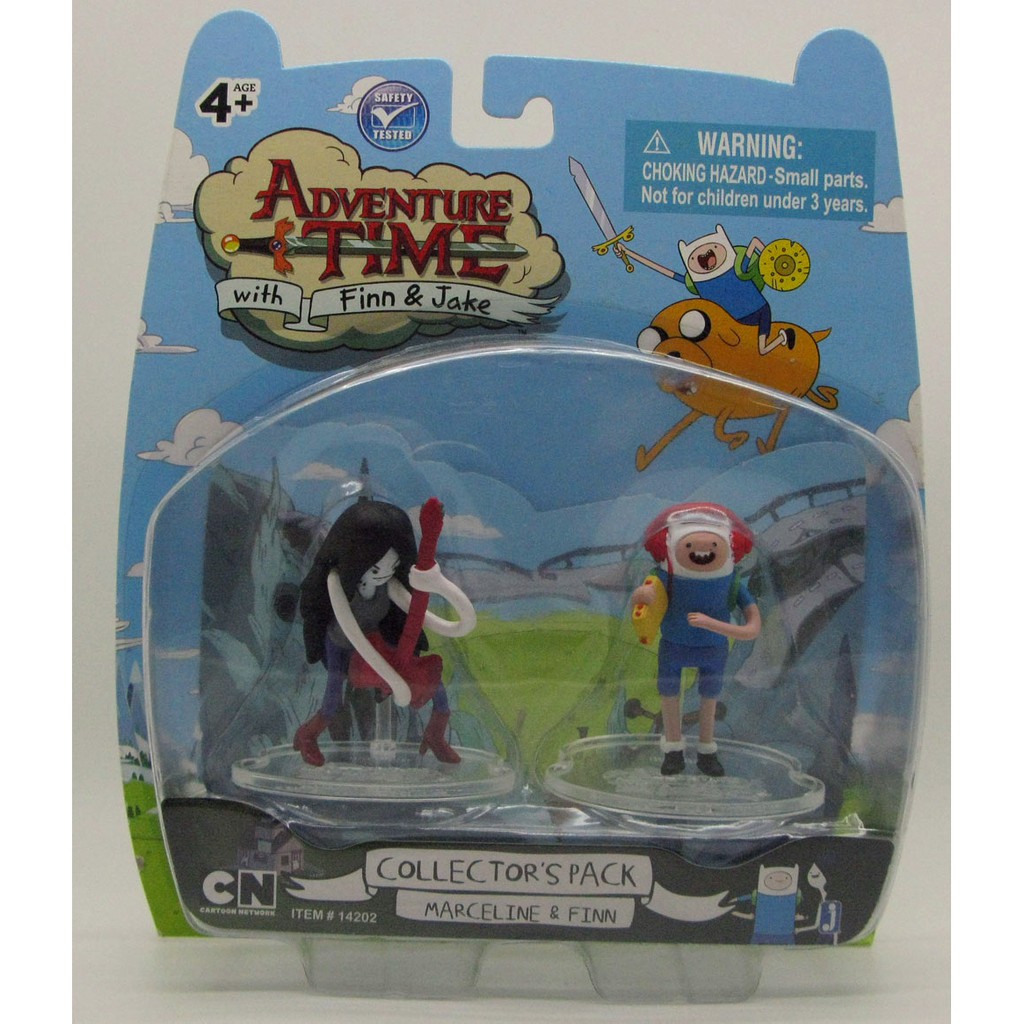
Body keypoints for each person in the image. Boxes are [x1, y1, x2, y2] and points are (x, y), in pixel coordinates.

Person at [294, 498, 475, 766]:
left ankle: (436, 733)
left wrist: (432, 586)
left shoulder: (388, 585)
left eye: (392, 566)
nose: (384, 574)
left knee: (433, 684)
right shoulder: (336, 583)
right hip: (342, 644)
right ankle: (307, 735)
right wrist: (389, 676)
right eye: (377, 568)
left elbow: (419, 613)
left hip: (375, 642)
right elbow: (350, 630)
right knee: (333, 698)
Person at [631, 503, 760, 776]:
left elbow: (752, 629)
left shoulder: (731, 582)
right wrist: (641, 596)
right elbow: (645, 599)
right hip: (673, 645)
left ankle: (706, 749)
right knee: (669, 694)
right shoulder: (664, 576)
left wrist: (710, 623)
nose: (702, 547)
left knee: (709, 697)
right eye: (688, 544)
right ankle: (673, 748)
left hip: (713, 649)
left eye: (714, 543)